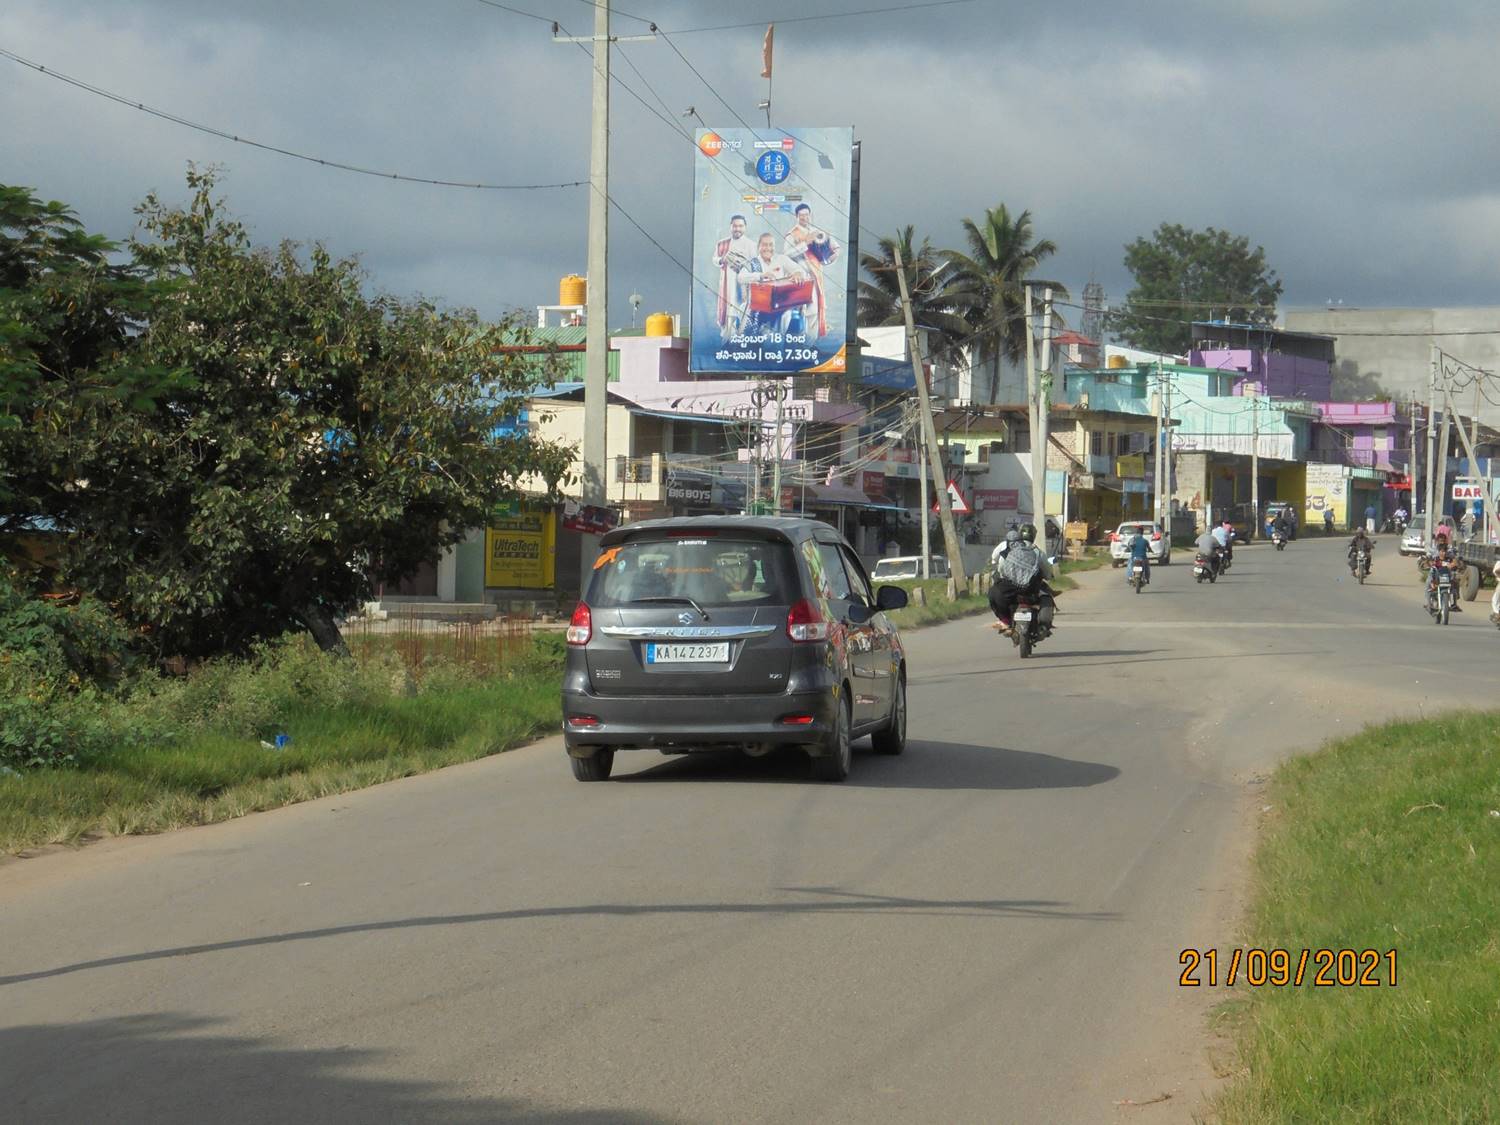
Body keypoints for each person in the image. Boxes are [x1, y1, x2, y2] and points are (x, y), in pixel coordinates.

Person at [782, 203, 840, 337]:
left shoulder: (816, 232)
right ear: (796, 216)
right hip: (799, 278)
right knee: (796, 311)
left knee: (813, 310)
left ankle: (807, 345)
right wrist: (805, 244)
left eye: (806, 215)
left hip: (815, 277)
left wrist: (829, 258)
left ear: (810, 216)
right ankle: (794, 342)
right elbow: (786, 255)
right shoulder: (792, 233)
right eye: (801, 215)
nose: (804, 217)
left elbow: (834, 248)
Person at [988, 523, 1054, 633]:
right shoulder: (1037, 552)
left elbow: (1001, 569)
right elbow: (1047, 572)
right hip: (1031, 588)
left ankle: (1005, 620)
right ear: (1033, 536)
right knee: (1046, 595)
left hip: (1011, 587)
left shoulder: (1008, 550)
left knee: (994, 593)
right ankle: (1042, 625)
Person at [738, 232, 806, 334]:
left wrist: (798, 273)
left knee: (786, 315)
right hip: (759, 306)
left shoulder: (781, 259)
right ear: (759, 247)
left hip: (780, 305)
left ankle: (777, 342)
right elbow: (740, 277)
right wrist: (760, 275)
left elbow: (799, 270)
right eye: (765, 245)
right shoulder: (753, 263)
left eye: (771, 245)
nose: (768, 248)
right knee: (744, 309)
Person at [713, 214, 756, 336]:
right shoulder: (722, 244)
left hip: (743, 287)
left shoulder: (751, 244)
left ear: (745, 227)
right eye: (735, 226)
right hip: (727, 286)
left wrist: (742, 264)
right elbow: (715, 259)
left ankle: (739, 344)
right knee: (728, 317)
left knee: (742, 315)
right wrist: (722, 259)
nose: (737, 229)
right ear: (730, 227)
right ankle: (727, 343)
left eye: (740, 226)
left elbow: (754, 266)